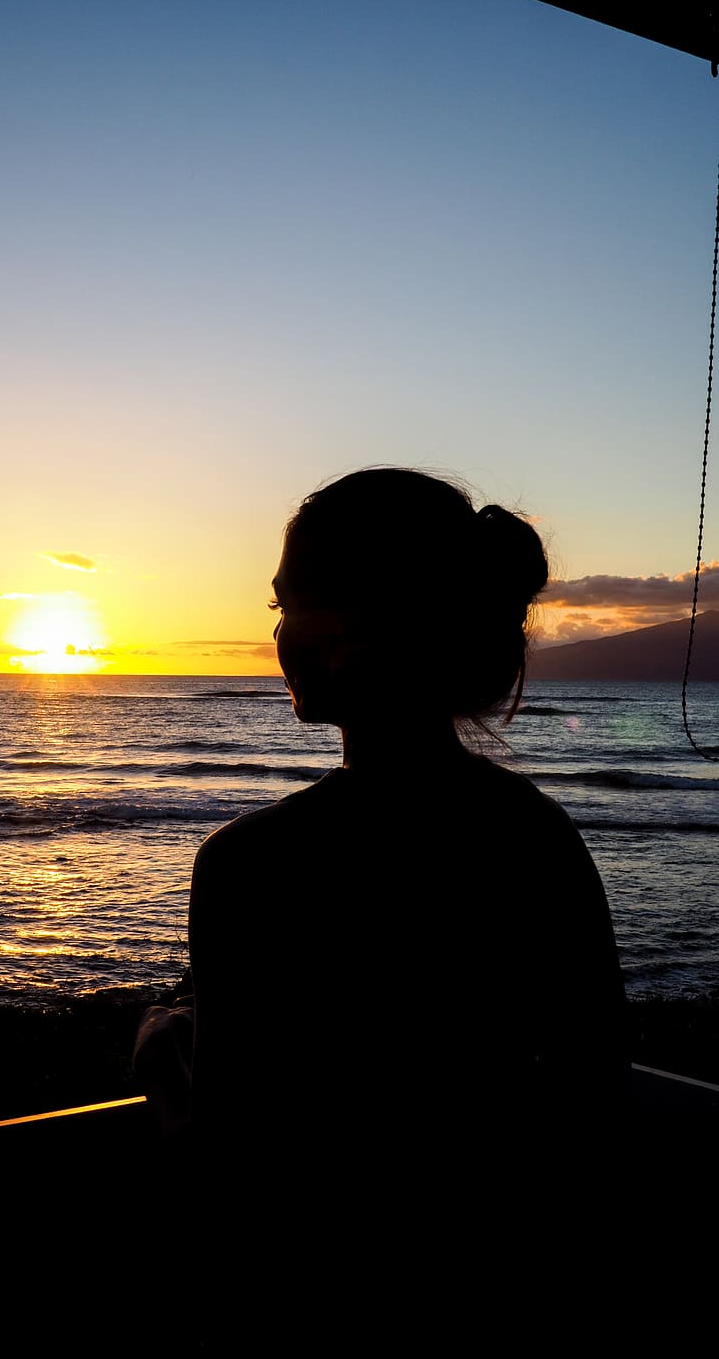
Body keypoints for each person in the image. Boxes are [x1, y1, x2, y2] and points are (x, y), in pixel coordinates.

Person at [133, 466, 629, 1349]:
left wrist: (163, 1054)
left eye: (285, 608)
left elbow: (228, 1172)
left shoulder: (253, 866)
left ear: (349, 634)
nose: (276, 635)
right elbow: (595, 1104)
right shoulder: (540, 836)